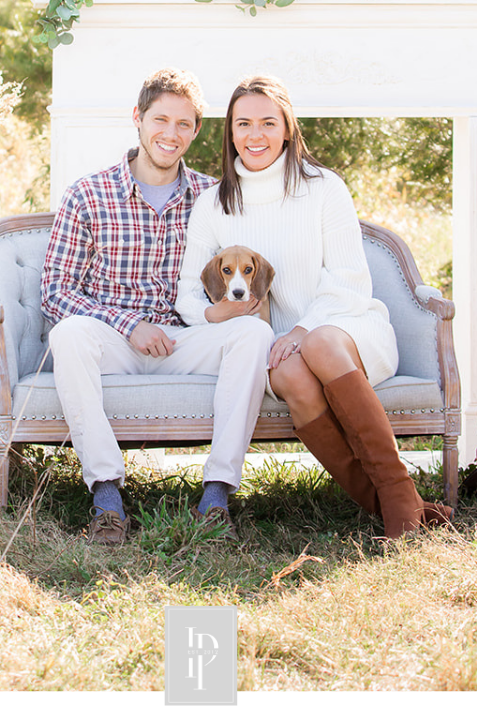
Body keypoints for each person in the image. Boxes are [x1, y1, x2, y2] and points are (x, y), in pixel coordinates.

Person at [177, 74, 451, 537]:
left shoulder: (323, 187)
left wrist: (301, 332)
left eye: (268, 122)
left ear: (287, 127)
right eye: (243, 124)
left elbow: (348, 280)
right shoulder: (213, 204)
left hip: (345, 329)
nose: (255, 135)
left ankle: (399, 497)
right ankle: (390, 505)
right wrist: (214, 313)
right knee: (286, 374)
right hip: (279, 352)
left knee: (320, 344)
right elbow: (187, 291)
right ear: (231, 133)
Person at [42, 67, 275, 546]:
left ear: (196, 131)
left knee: (254, 334)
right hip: (115, 341)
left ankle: (215, 497)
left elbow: (247, 263)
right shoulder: (88, 195)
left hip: (185, 337)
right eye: (160, 120)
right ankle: (107, 498)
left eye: (184, 124)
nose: (171, 134)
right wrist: (129, 326)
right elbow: (56, 291)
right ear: (138, 119)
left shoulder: (212, 198)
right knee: (67, 334)